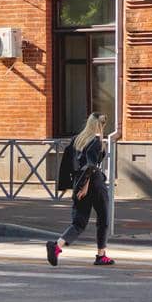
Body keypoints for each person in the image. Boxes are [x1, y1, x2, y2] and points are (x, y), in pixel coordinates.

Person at [47, 113, 114, 267]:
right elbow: (91, 165)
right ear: (99, 125)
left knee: (79, 222)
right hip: (93, 183)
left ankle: (56, 246)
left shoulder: (77, 140)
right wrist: (86, 185)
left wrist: (74, 184)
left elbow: (68, 164)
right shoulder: (95, 142)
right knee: (103, 219)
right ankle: (101, 255)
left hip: (79, 182)